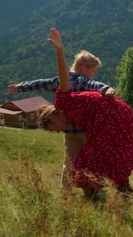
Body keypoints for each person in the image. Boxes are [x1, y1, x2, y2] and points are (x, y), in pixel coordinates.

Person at [37, 27, 133, 199]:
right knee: (109, 154)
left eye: (55, 129)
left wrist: (60, 51)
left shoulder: (64, 101)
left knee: (90, 158)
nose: (60, 131)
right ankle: (120, 190)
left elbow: (63, 75)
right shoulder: (71, 114)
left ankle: (97, 193)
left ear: (52, 117)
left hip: (114, 117)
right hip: (120, 115)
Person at [8, 50, 117, 190]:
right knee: (93, 160)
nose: (93, 74)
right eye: (93, 70)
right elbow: (94, 84)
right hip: (87, 132)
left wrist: (19, 87)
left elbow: (40, 84)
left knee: (69, 162)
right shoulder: (83, 80)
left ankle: (65, 191)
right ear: (83, 67)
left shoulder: (60, 80)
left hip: (69, 131)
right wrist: (106, 88)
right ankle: (93, 189)